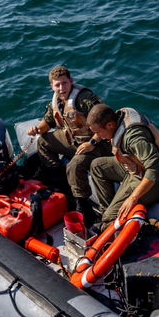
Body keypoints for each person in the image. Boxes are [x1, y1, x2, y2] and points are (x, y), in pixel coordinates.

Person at [27, 66, 106, 217]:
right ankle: (58, 180)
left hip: (95, 144)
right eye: (57, 85)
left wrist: (92, 143)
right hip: (73, 141)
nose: (61, 88)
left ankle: (82, 205)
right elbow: (48, 122)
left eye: (64, 83)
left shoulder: (85, 99)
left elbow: (105, 122)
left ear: (71, 81)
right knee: (43, 142)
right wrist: (37, 129)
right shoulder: (56, 100)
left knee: (74, 166)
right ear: (52, 86)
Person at [85, 103, 159, 228]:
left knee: (108, 219)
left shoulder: (134, 138)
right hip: (134, 166)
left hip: (151, 181)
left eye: (99, 132)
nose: (99, 136)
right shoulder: (120, 116)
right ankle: (109, 211)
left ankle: (112, 218)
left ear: (110, 125)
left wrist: (133, 198)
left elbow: (155, 167)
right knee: (97, 166)